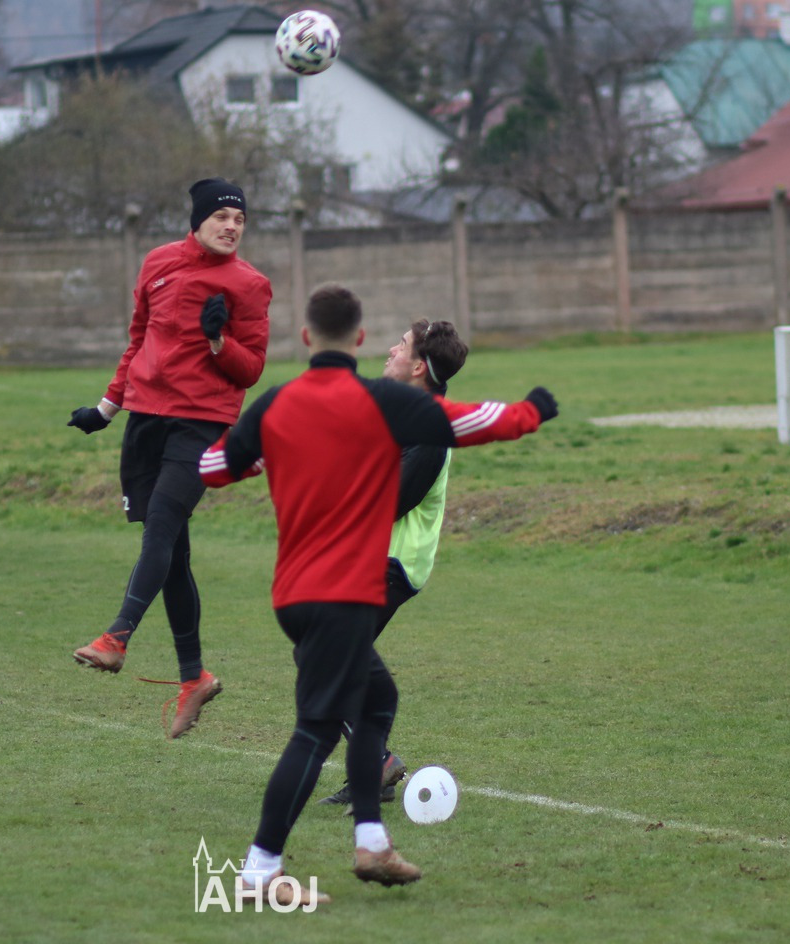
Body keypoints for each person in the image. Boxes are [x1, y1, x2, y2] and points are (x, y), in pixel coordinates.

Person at [200, 285, 556, 900]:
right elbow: (471, 421)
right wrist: (533, 410)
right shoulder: (382, 402)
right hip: (342, 588)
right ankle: (261, 869)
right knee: (316, 728)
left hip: (293, 590)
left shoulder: (279, 404)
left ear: (306, 338)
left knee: (376, 698)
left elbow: (212, 468)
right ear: (359, 338)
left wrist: (261, 453)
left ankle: (371, 841)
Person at [67, 178, 271, 739]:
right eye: (222, 216)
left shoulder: (250, 284)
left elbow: (252, 368)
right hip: (146, 420)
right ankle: (194, 677)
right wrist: (106, 408)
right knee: (173, 553)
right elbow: (137, 341)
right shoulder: (157, 263)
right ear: (198, 220)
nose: (232, 226)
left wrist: (218, 342)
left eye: (240, 219)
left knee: (161, 524)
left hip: (201, 423)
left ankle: (117, 637)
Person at [319, 318, 468, 807]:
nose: (389, 350)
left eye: (401, 346)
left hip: (393, 561)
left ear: (419, 366)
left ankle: (377, 763)